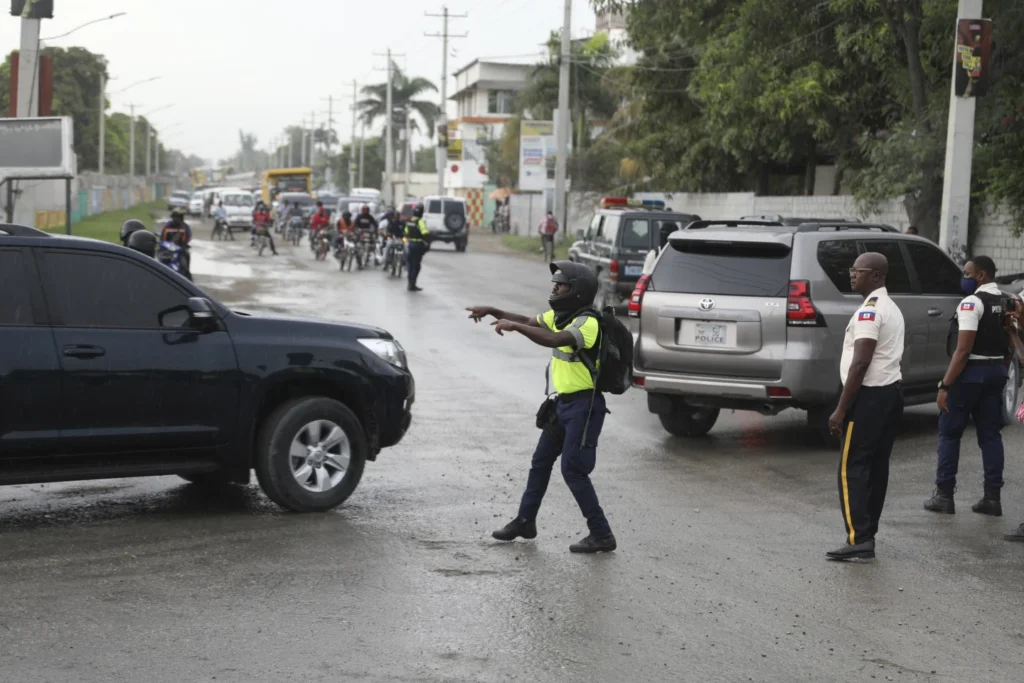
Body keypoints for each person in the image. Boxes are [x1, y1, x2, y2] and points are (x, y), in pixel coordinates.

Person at [466, 261, 617, 554]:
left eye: (560, 285)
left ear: (576, 291)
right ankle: (525, 521)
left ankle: (602, 534)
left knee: (573, 470)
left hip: (585, 407)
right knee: (540, 461)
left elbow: (554, 339)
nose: (555, 289)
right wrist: (494, 311)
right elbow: (527, 319)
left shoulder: (587, 323)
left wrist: (517, 328)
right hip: (561, 405)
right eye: (555, 284)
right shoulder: (562, 315)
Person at [826, 252, 905, 561]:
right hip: (889, 395)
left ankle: (859, 537)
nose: (852, 275)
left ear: (876, 276)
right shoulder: (890, 307)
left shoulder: (870, 312)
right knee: (875, 466)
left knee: (852, 468)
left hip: (869, 398)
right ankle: (867, 533)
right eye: (852, 270)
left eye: (858, 271)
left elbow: (860, 363)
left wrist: (841, 410)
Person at [924, 256, 1010, 517]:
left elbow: (963, 351)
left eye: (967, 272)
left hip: (971, 373)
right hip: (996, 371)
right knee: (991, 436)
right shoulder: (1008, 301)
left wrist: (945, 385)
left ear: (981, 275)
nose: (964, 277)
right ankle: (992, 498)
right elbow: (1010, 341)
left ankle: (944, 496)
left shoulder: (972, 303)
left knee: (949, 433)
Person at [404, 203, 430, 292]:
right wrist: (427, 242)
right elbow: (425, 233)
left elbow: (406, 232)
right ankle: (412, 284)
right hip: (418, 245)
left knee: (410, 265)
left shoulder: (410, 221)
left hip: (410, 245)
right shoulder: (420, 221)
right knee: (416, 266)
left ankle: (409, 284)